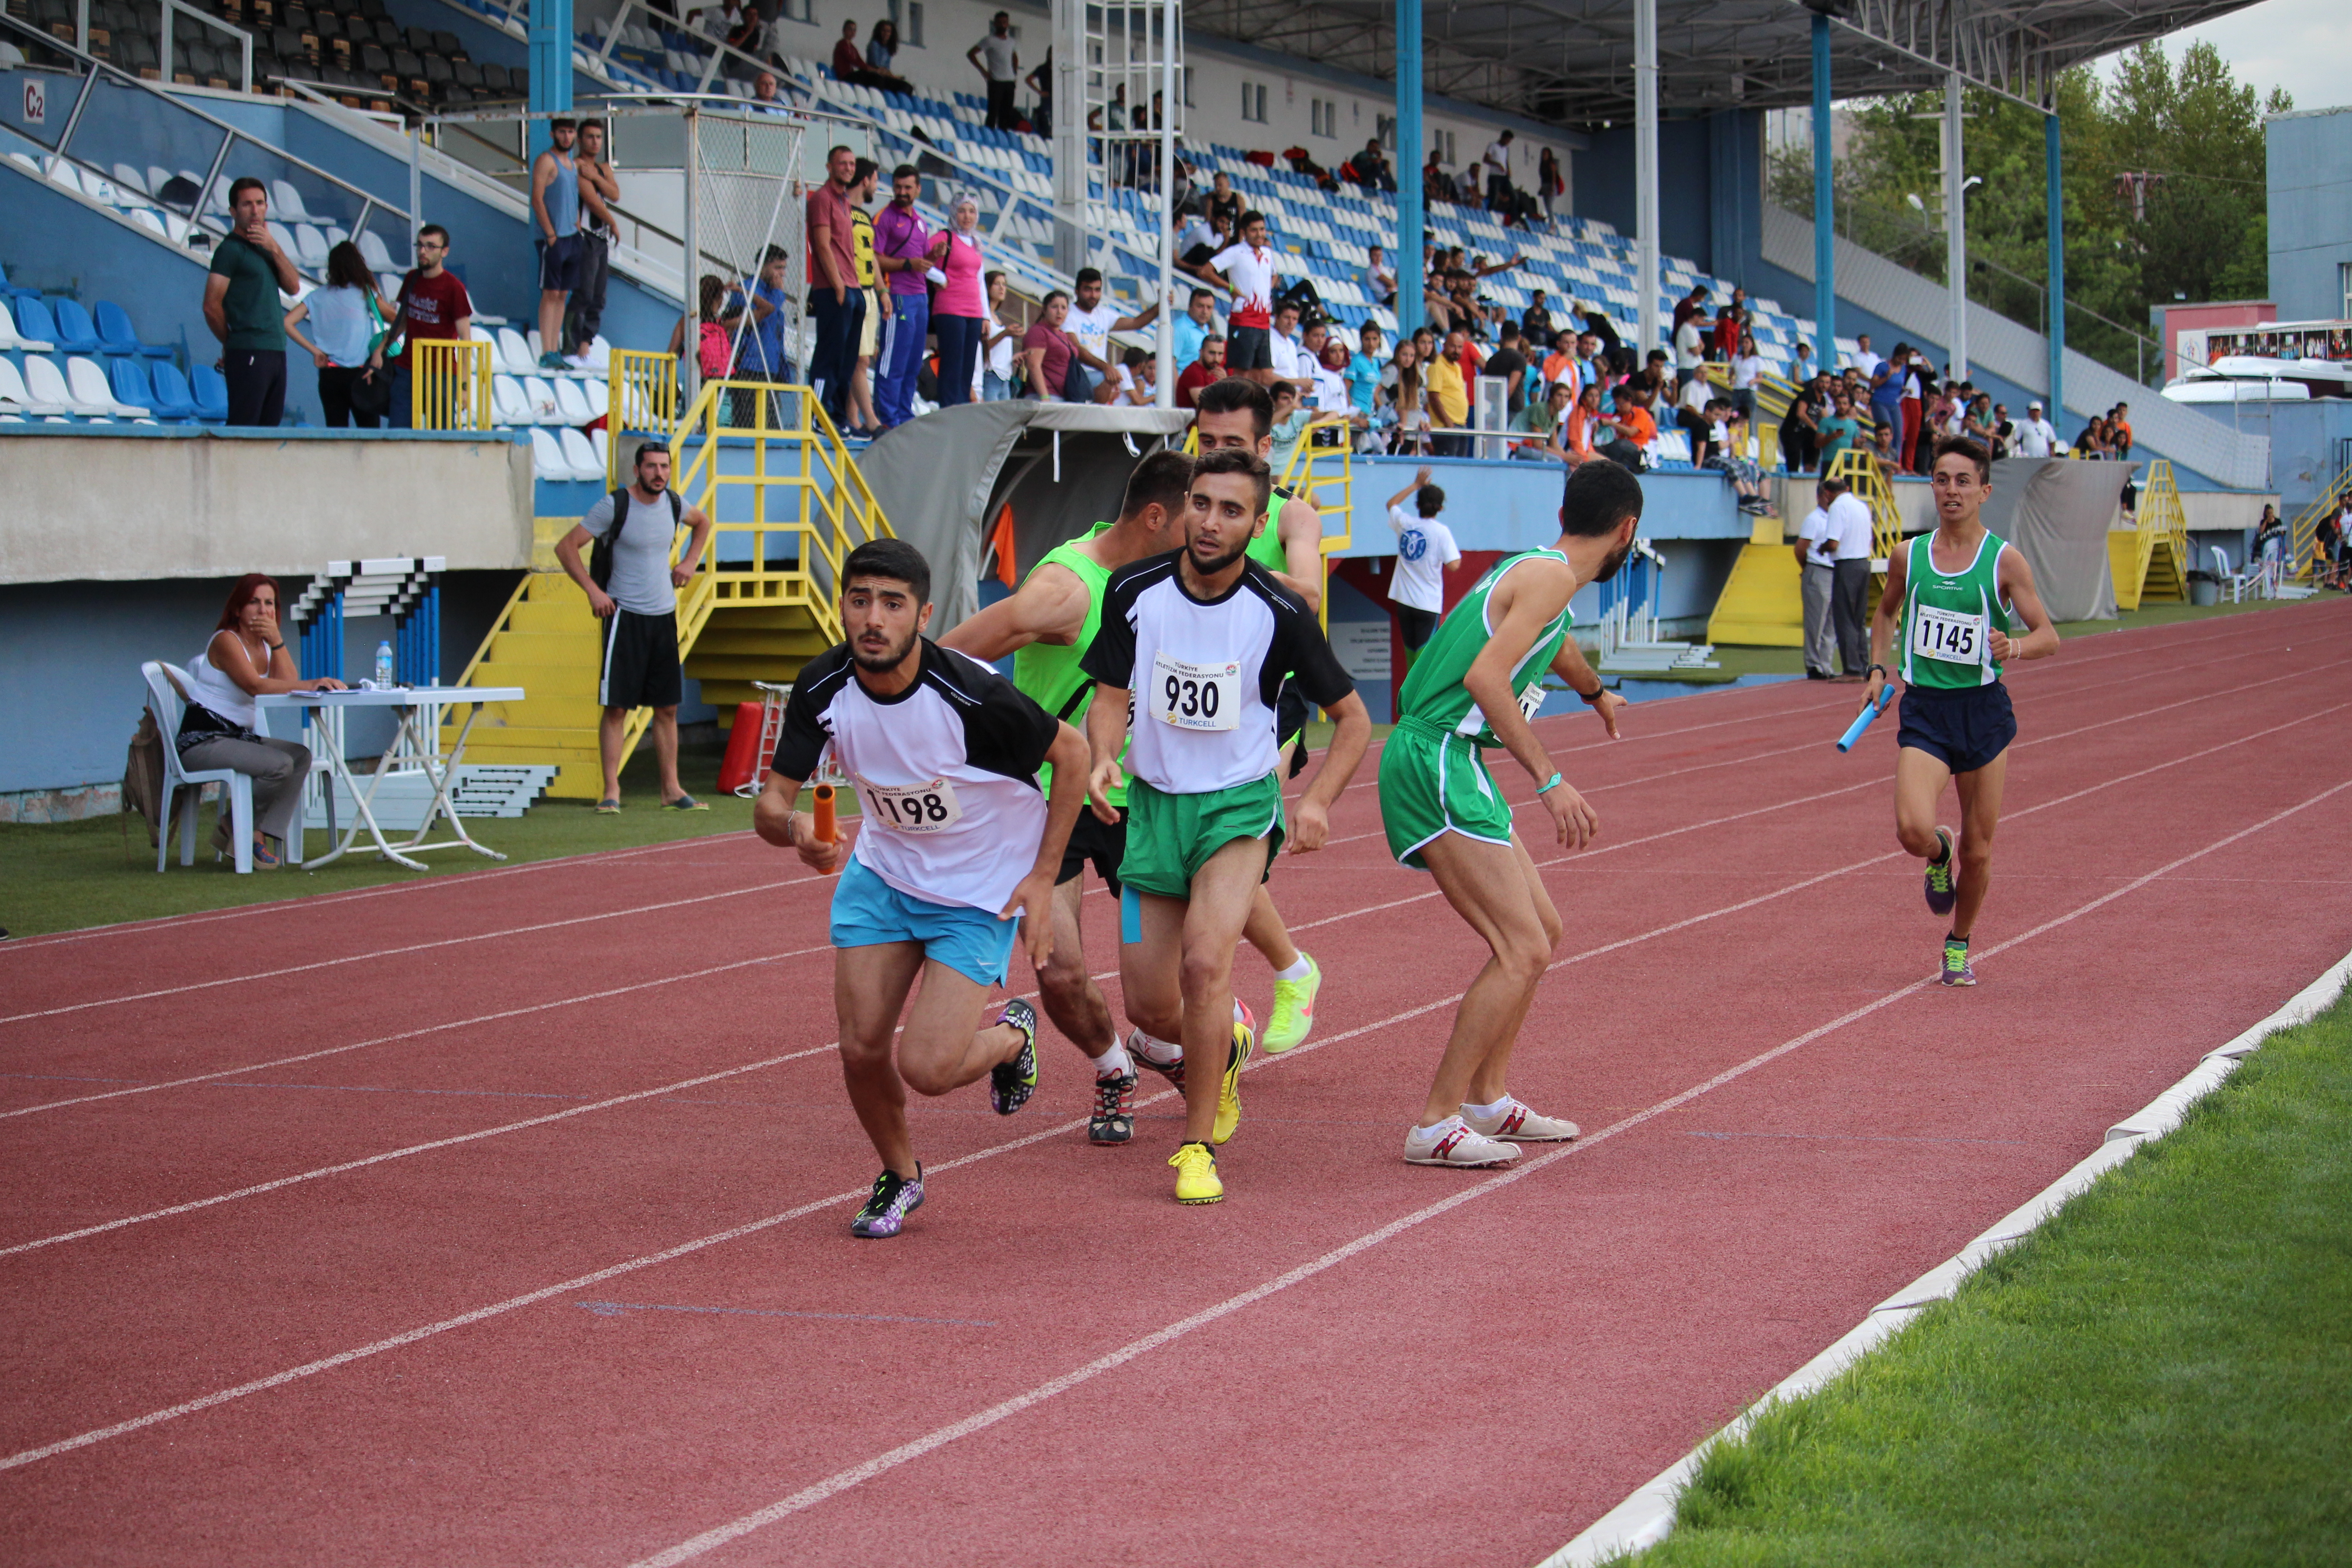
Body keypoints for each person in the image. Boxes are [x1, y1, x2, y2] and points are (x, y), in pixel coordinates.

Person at [756, 539, 1090, 1238]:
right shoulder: (823, 687)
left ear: (923, 614)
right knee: (860, 1048)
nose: (873, 618)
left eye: (892, 604)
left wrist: (1040, 876)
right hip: (884, 874)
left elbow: (1073, 751)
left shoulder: (968, 694)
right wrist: (796, 833)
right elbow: (769, 803)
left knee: (929, 1068)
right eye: (859, 601)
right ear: (842, 606)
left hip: (977, 886)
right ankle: (900, 1176)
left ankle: (1010, 1039)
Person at [1079, 448, 1372, 1203]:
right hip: (1150, 808)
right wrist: (1102, 757)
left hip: (1237, 808)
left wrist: (1314, 803)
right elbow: (1109, 695)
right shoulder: (1132, 589)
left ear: (1256, 522)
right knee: (1148, 1008)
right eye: (1201, 504)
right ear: (1183, 507)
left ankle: (1196, 1143)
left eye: (1231, 510)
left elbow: (1352, 720)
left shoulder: (1279, 612)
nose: (1210, 522)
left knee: (1205, 966)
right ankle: (1226, 1045)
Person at [1378, 461, 1635, 1168]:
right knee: (1521, 946)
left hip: (1457, 760)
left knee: (1543, 931)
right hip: (1436, 755)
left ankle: (1488, 1099)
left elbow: (1554, 644)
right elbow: (1486, 677)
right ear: (1628, 531)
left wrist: (1595, 693)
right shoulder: (1551, 579)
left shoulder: (1541, 571)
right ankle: (1434, 1123)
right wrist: (1550, 780)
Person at [940, 452, 1195, 1143]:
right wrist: (897, 705)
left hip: (1144, 797)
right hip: (1053, 797)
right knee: (1057, 968)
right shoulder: (1069, 589)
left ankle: (1163, 1044)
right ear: (1154, 517)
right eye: (1190, 516)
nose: (1201, 532)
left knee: (1178, 975)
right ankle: (1114, 1067)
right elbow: (950, 655)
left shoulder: (1171, 579)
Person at [1862, 435, 2059, 987]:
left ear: (1984, 491)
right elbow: (1884, 616)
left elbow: (2048, 635)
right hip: (1926, 711)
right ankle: (1936, 848)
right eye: (1943, 480)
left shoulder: (2004, 560)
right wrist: (1879, 670)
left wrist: (2013, 647)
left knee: (1978, 850)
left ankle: (1959, 943)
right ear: (1933, 486)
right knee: (1910, 829)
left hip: (1982, 714)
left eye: (1963, 481)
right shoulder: (1910, 555)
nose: (1952, 491)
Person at [1193, 377, 1334, 1050]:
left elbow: (1306, 590)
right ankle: (1284, 971)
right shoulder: (1194, 509)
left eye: (1231, 443)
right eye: (1206, 441)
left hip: (1271, 699)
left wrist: (1233, 563)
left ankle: (1283, 974)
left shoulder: (1290, 516)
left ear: (1265, 445)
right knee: (1195, 856)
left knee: (1233, 848)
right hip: (1190, 698)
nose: (1215, 453)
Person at [553, 443, 716, 813]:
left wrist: (690, 561)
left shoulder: (675, 504)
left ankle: (671, 789)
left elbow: (703, 523)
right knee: (616, 708)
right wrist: (594, 592)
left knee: (668, 708)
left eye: (664, 466)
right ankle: (611, 792)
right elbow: (566, 548)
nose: (659, 473)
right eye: (651, 467)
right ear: (637, 469)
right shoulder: (614, 506)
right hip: (624, 616)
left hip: (663, 616)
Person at [175, 573, 345, 867]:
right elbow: (255, 686)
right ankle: (252, 836)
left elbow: (289, 684)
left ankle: (237, 824)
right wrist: (312, 683)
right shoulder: (227, 641)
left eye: (270, 604)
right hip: (203, 741)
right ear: (238, 609)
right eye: (254, 602)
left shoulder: (266, 646)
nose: (263, 610)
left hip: (237, 738)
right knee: (279, 764)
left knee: (300, 757)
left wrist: (278, 641)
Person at [202, 177, 300, 428]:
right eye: (247, 205)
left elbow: (294, 286)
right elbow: (211, 305)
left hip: (276, 349)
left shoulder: (267, 247)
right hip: (249, 349)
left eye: (260, 203)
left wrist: (275, 248)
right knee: (244, 428)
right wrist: (230, 342)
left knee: (270, 429)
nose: (255, 211)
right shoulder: (230, 251)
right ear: (234, 212)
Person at [283, 241, 391, 429]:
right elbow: (397, 321)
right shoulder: (365, 293)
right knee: (370, 435)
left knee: (336, 434)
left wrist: (315, 351)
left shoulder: (317, 296)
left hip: (329, 373)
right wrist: (380, 350)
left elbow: (287, 323)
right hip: (362, 374)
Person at [379, 224, 472, 430]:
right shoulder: (412, 278)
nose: (423, 251)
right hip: (407, 368)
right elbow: (401, 321)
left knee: (441, 434)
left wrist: (464, 387)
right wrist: (380, 350)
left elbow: (465, 338)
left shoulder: (454, 288)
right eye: (420, 246)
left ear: (444, 252)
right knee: (398, 433)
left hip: (441, 372)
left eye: (431, 247)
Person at [803, 145, 862, 428]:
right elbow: (823, 246)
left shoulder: (844, 201)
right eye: (843, 164)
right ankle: (816, 415)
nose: (848, 168)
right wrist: (838, 286)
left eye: (852, 164)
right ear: (829, 167)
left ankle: (838, 417)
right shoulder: (822, 199)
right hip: (833, 288)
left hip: (853, 287)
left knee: (847, 360)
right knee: (828, 354)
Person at [871, 164, 931, 428]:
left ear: (918, 189)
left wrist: (934, 256)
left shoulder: (920, 222)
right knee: (893, 359)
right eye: (898, 187)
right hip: (897, 295)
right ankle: (887, 416)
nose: (902, 192)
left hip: (920, 296)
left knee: (913, 361)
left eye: (908, 188)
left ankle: (904, 414)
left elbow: (922, 261)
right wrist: (908, 265)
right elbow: (874, 258)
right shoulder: (884, 218)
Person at [1384, 466, 1464, 663]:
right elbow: (1454, 565)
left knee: (1410, 656)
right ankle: (1421, 694)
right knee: (1425, 660)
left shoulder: (1405, 523)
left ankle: (1410, 694)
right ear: (1441, 508)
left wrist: (1416, 484)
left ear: (1417, 505)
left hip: (1404, 602)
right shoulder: (1441, 532)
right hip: (1428, 604)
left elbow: (1391, 503)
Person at [918, 196, 989, 408]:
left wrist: (985, 315)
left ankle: (962, 407)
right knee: (952, 361)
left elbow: (980, 281)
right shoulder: (944, 237)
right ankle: (949, 407)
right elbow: (920, 259)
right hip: (950, 307)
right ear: (953, 213)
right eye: (962, 211)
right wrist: (940, 277)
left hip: (973, 310)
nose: (967, 216)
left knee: (968, 365)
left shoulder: (976, 243)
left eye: (971, 212)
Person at [529, 118, 582, 371]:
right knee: (550, 293)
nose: (566, 137)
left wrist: (577, 226)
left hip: (571, 236)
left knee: (563, 294)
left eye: (571, 132)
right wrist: (551, 235)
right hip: (554, 237)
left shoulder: (572, 165)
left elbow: (573, 198)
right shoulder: (546, 161)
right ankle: (546, 350)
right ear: (553, 133)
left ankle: (556, 349)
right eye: (562, 132)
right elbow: (537, 199)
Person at [565, 119, 619, 362]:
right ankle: (571, 344)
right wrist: (614, 222)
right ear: (580, 140)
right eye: (590, 137)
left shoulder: (604, 169)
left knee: (599, 295)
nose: (595, 142)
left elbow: (615, 195)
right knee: (584, 292)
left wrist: (597, 178)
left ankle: (587, 340)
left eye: (599, 137)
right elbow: (592, 201)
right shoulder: (576, 166)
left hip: (601, 239)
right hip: (585, 236)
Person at [1064, 267, 1160, 402]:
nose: (1093, 295)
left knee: (1114, 378)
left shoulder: (1103, 314)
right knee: (1110, 377)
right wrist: (1106, 367)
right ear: (1077, 291)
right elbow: (1077, 350)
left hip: (1098, 374)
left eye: (1097, 290)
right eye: (1088, 289)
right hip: (1076, 373)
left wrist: (1159, 307)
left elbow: (1136, 323)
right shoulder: (1068, 314)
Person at [1206, 211, 1279, 388]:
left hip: (1263, 320)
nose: (1260, 234)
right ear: (1244, 232)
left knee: (1264, 373)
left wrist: (1267, 288)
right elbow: (1206, 270)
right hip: (1244, 319)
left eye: (1262, 229)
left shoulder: (1268, 253)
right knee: (1242, 372)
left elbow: (1276, 275)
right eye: (1254, 230)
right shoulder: (1236, 252)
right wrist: (1230, 288)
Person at [1815, 475, 1875, 680]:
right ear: (1847, 487)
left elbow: (1833, 543)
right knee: (1858, 618)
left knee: (1845, 617)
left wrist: (1822, 549)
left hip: (1846, 565)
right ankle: (1863, 664)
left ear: (1828, 494)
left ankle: (1852, 669)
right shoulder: (1861, 506)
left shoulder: (1837, 508)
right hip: (1864, 563)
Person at [728, 246, 793, 427]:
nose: (782, 274)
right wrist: (779, 292)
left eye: (784, 268)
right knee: (748, 422)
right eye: (778, 268)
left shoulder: (772, 292)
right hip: (749, 366)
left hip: (770, 367)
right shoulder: (748, 289)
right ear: (764, 266)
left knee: (772, 424)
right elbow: (767, 313)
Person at [1794, 481, 1839, 681]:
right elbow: (1801, 547)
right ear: (1822, 496)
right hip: (1818, 568)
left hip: (1834, 570)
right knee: (1816, 620)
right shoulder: (1814, 519)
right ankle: (1814, 664)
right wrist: (1808, 568)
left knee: (1831, 622)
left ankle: (1826, 664)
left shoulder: (1835, 517)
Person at [1020, 290, 1080, 401]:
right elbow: (1034, 365)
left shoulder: (1063, 335)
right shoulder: (1038, 332)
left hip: (1064, 396)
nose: (1059, 312)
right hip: (1046, 395)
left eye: (1063, 308)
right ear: (1044, 309)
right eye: (1054, 307)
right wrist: (1044, 396)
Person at [967, 10, 1019, 131]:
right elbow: (971, 54)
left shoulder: (1012, 42)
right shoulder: (989, 40)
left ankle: (1003, 136)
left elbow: (1014, 55)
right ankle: (989, 134)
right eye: (1000, 22)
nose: (1002, 25)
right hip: (996, 81)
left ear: (1008, 24)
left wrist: (1015, 70)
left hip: (1010, 81)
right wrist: (983, 71)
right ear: (995, 24)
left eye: (1005, 22)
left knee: (1007, 112)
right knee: (994, 110)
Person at [1425, 329, 1470, 456]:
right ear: (1444, 346)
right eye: (1453, 346)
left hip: (1460, 425)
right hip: (1446, 427)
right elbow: (1433, 398)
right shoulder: (1437, 366)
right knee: (1448, 469)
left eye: (1460, 347)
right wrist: (1448, 423)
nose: (1456, 351)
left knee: (1461, 469)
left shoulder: (1457, 367)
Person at [978, 270, 1019, 402]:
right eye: (997, 284)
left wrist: (1014, 358)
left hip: (1005, 377)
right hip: (991, 375)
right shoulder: (984, 316)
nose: (1002, 288)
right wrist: (1005, 334)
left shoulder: (998, 316)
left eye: (1004, 284)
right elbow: (983, 347)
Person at [1172, 286, 1219, 369]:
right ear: (1190, 306)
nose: (1205, 312)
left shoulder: (1205, 328)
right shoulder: (1180, 329)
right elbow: (1171, 364)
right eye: (1200, 306)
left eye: (1209, 307)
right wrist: (1179, 383)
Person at [1175, 334, 1225, 408]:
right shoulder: (1194, 373)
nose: (1216, 359)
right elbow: (1206, 406)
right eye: (1212, 353)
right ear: (1201, 352)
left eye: (1220, 354)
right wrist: (1225, 385)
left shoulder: (1216, 372)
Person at [1481, 129, 1515, 208]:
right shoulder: (1493, 146)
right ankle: (1489, 211)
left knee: (1513, 196)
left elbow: (1506, 161)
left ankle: (1512, 215)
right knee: (1494, 197)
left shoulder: (1506, 149)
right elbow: (1486, 159)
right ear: (1503, 138)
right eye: (1507, 140)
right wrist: (1497, 164)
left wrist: (1509, 170)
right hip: (1495, 175)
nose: (1508, 142)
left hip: (1503, 176)